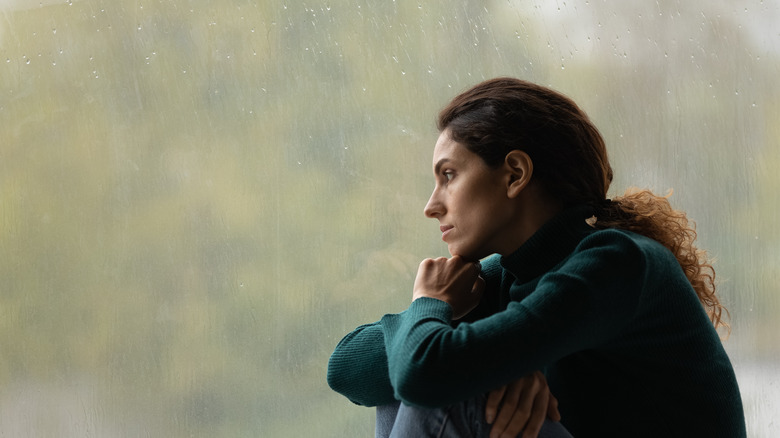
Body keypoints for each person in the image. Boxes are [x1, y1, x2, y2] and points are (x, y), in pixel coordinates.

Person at [327, 77, 746, 437]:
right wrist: (492, 356)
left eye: (448, 175)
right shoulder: (507, 275)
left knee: (439, 385)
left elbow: (425, 376)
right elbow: (345, 369)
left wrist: (429, 305)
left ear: (514, 174)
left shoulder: (617, 262)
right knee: (408, 379)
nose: (431, 206)